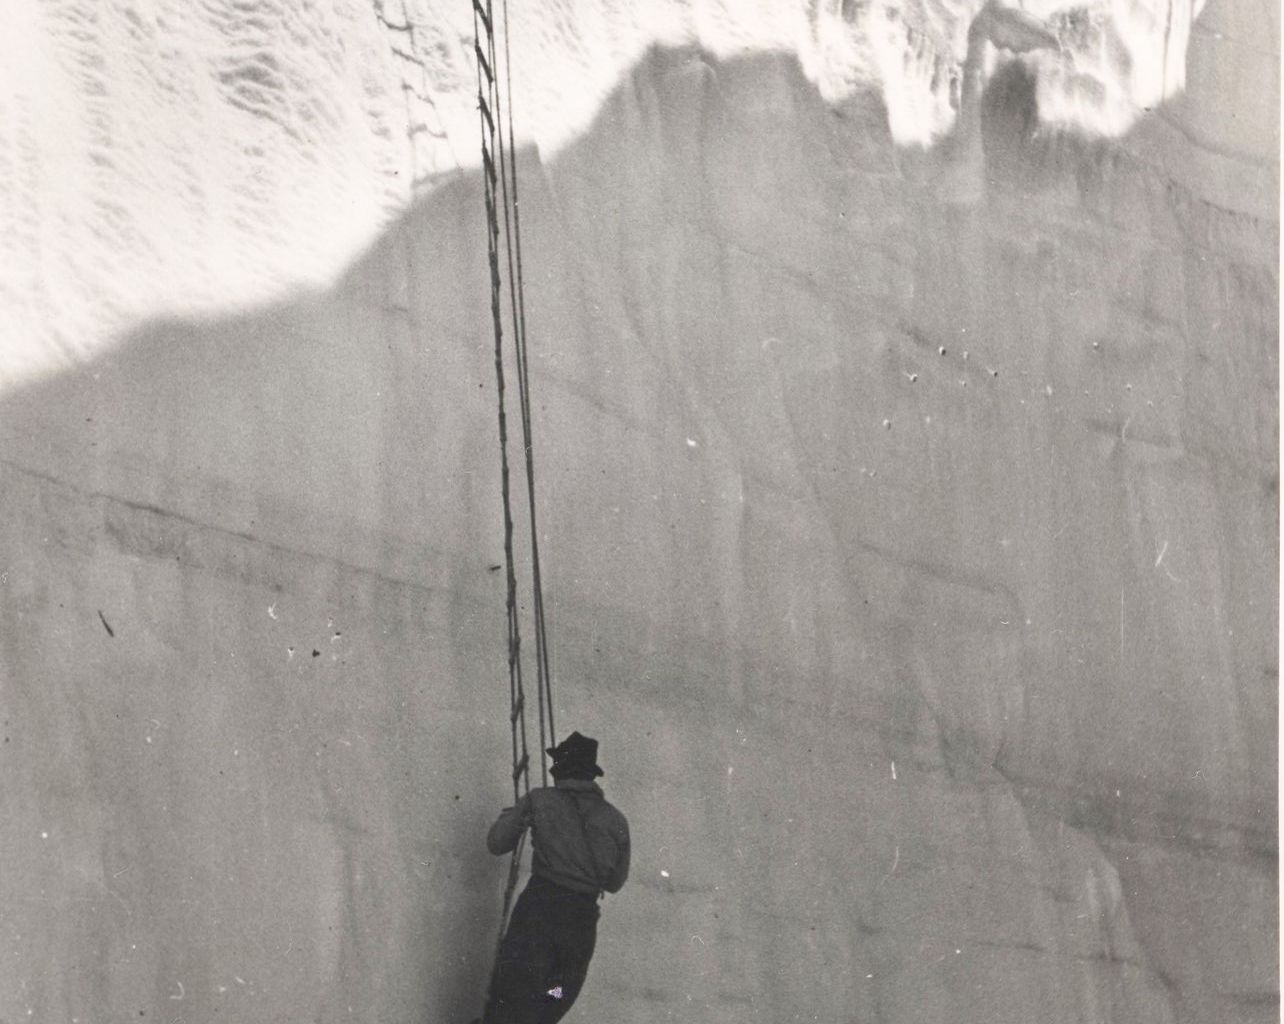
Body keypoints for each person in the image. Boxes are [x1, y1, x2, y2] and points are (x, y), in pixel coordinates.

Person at [480, 732, 630, 1024]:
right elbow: (615, 883)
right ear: (591, 775)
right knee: (557, 992)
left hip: (538, 913)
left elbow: (496, 843)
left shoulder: (540, 800)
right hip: (580, 924)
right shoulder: (616, 821)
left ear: (558, 769)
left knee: (512, 991)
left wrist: (515, 817)